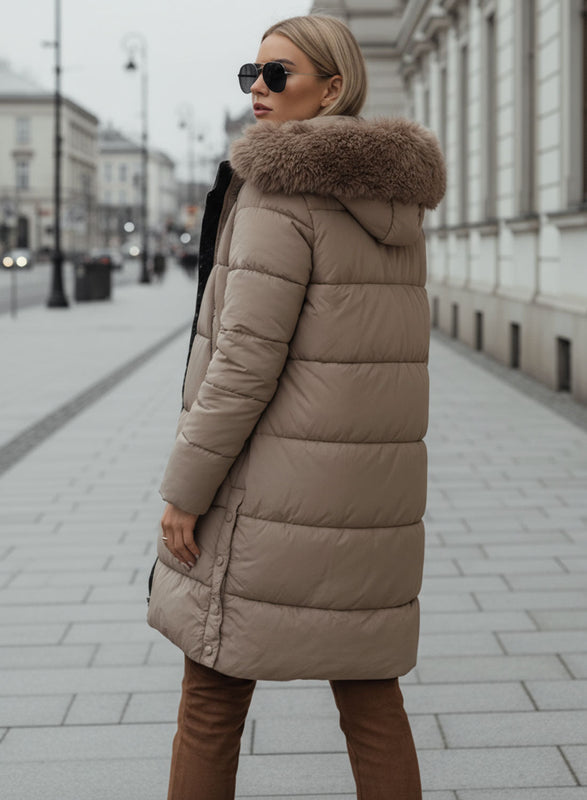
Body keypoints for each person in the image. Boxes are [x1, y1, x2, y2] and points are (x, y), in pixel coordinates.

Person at [147, 14, 445, 800]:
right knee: (371, 699)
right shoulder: (394, 205)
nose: (258, 91)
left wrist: (185, 490)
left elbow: (244, 361)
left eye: (277, 75)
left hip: (268, 498)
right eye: (251, 74)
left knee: (210, 701)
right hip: (367, 501)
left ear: (332, 88)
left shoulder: (278, 190)